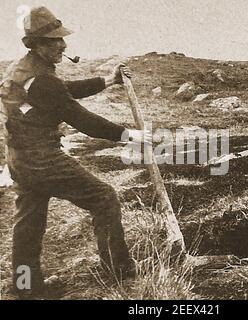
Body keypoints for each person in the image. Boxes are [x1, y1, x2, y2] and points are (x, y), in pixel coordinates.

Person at [0, 6, 149, 299]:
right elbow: (79, 117)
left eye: (61, 39)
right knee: (104, 197)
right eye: (55, 40)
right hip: (43, 159)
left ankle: (25, 286)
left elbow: (64, 90)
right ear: (37, 44)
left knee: (28, 221)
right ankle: (120, 276)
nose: (64, 45)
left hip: (19, 158)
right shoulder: (42, 79)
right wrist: (129, 135)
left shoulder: (24, 69)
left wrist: (108, 80)